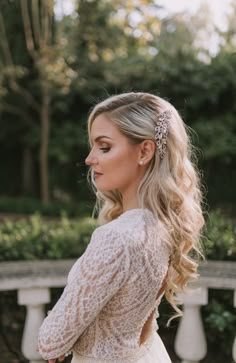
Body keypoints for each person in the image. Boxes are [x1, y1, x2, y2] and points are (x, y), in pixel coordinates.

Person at [38, 92, 205, 363]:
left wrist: (66, 338)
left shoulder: (115, 238)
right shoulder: (162, 226)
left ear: (145, 151)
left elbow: (49, 342)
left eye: (104, 147)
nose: (90, 159)